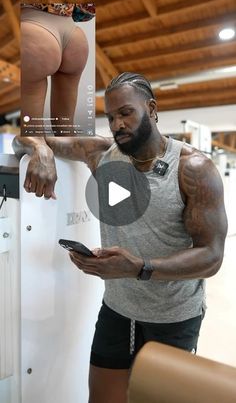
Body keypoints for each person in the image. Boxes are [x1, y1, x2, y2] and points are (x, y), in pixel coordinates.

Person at [13, 72, 228, 403]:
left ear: (152, 109)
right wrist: (39, 148)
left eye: (126, 113)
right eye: (110, 116)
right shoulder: (102, 153)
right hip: (117, 310)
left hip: (173, 317)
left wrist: (139, 267)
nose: (116, 124)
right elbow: (23, 137)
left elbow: (211, 256)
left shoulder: (193, 169)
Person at [21, 3, 94, 136]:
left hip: (34, 29)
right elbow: (87, 13)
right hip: (73, 35)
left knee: (33, 133)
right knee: (66, 131)